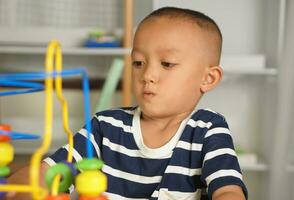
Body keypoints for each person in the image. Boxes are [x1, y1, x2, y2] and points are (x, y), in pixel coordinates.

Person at [7, 7, 247, 200]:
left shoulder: (207, 128)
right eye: (138, 63)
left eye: (167, 64)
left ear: (208, 78)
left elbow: (228, 190)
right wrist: (20, 189)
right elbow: (47, 172)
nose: (147, 74)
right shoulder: (106, 126)